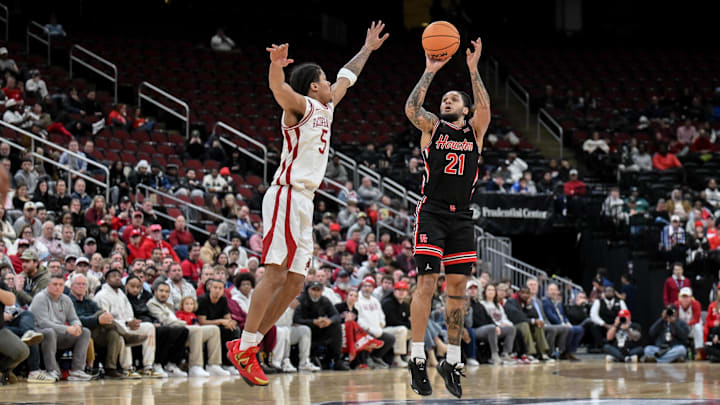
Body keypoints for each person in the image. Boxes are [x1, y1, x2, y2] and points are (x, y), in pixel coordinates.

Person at [227, 21, 388, 386]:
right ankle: (247, 346)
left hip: (305, 201)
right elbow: (277, 88)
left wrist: (368, 48)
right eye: (325, 80)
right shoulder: (300, 107)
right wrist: (276, 65)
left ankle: (247, 345)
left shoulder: (327, 108)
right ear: (314, 85)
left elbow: (348, 77)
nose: (332, 84)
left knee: (296, 281)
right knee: (275, 273)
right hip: (286, 193)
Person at [403, 36, 491, 398]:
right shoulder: (432, 128)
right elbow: (411, 109)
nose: (446, 100)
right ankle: (416, 358)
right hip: (433, 212)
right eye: (444, 99)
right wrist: (429, 72)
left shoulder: (475, 131)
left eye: (453, 99)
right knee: (427, 284)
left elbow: (485, 107)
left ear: (466, 110)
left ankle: (452, 359)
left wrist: (472, 70)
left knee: (457, 289)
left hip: (463, 217)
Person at [30, 275, 93, 381]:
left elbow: (74, 318)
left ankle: (77, 371)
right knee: (49, 332)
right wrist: (67, 329)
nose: (58, 287)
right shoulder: (40, 298)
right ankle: (52, 370)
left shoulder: (66, 299)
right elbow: (43, 323)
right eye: (55, 284)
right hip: (40, 334)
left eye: (61, 285)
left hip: (59, 334)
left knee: (85, 332)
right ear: (48, 285)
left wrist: (77, 326)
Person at [68, 274, 126, 378]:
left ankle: (110, 368)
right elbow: (76, 320)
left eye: (84, 284)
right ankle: (126, 335)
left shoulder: (90, 302)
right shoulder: (68, 301)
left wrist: (104, 316)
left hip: (95, 332)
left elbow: (101, 313)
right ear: (71, 286)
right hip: (78, 331)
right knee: (100, 316)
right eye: (78, 284)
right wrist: (97, 320)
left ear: (87, 287)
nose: (81, 286)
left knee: (113, 334)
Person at [294, 281, 348, 371]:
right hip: (306, 330)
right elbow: (297, 319)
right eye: (313, 290)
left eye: (318, 290)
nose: (315, 293)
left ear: (321, 291)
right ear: (308, 290)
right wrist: (313, 322)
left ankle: (337, 360)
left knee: (336, 326)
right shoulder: (301, 300)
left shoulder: (324, 300)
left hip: (320, 329)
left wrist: (329, 321)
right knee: (305, 329)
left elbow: (336, 316)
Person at [197, 279, 241, 372]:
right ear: (210, 288)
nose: (217, 290)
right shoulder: (203, 300)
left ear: (223, 290)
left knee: (234, 330)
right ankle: (217, 364)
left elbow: (227, 318)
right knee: (220, 332)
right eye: (215, 287)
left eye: (220, 288)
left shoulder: (223, 299)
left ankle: (229, 363)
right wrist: (221, 321)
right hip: (205, 327)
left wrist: (230, 323)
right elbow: (202, 322)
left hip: (218, 326)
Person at [542, 283, 583, 361]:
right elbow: (550, 315)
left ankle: (571, 351)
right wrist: (562, 324)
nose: (553, 292)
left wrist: (567, 322)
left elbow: (564, 315)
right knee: (570, 330)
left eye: (555, 290)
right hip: (554, 324)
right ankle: (564, 352)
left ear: (558, 292)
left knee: (579, 329)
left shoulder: (558, 303)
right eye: (551, 290)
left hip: (563, 323)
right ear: (547, 291)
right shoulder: (545, 301)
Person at [590, 286, 627, 350]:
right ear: (604, 293)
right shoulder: (598, 302)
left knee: (623, 327)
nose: (609, 293)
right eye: (607, 291)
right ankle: (601, 347)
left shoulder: (620, 302)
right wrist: (604, 324)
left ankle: (617, 346)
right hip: (603, 325)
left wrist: (616, 325)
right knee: (594, 326)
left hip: (616, 325)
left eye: (611, 291)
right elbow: (593, 315)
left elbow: (626, 314)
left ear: (614, 293)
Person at [674, 287, 704, 357]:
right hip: (681, 329)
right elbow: (674, 319)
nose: (685, 299)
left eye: (687, 297)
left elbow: (696, 319)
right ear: (679, 298)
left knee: (698, 327)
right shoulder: (676, 305)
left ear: (691, 298)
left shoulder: (696, 304)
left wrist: (686, 324)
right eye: (683, 297)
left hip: (692, 328)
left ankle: (698, 352)